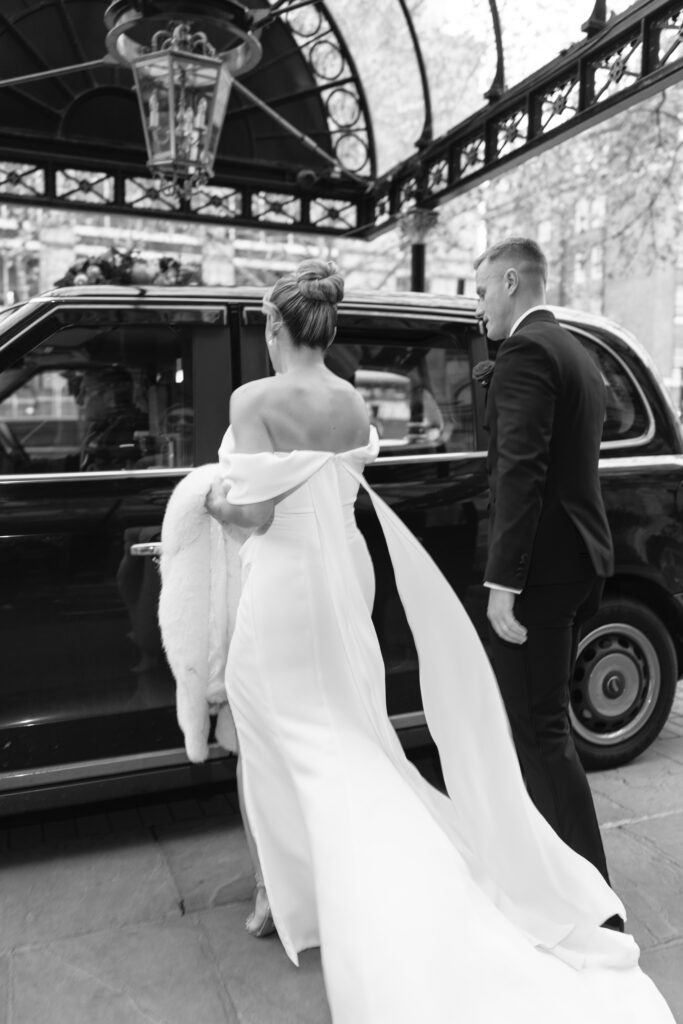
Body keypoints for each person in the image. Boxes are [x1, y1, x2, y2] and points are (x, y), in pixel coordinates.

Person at [205, 258, 673, 1023]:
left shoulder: (252, 399)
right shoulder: (351, 402)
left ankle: (287, 897)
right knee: (346, 732)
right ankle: (341, 878)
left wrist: (213, 505)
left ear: (274, 326)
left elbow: (254, 515)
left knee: (270, 737)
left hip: (284, 585)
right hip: (344, 581)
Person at [474, 237, 617, 905]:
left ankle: (588, 900)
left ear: (510, 282)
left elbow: (521, 471)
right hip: (577, 562)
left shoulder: (527, 352)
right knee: (543, 728)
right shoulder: (575, 350)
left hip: (539, 574)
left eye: (480, 292)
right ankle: (555, 876)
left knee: (539, 732)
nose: (477, 308)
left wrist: (503, 584)